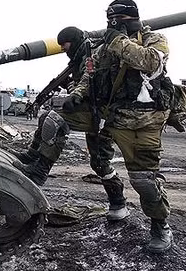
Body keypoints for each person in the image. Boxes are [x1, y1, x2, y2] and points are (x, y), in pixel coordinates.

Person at [69, 0, 174, 253]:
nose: (114, 24)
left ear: (134, 17)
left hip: (141, 120)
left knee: (144, 180)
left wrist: (118, 40)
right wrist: (78, 93)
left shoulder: (154, 39)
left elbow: (151, 62)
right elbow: (90, 74)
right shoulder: (104, 47)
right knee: (98, 161)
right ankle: (117, 201)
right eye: (111, 20)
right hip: (108, 115)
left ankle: (160, 225)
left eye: (120, 19)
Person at [13, 26, 118, 210]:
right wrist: (71, 88)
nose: (62, 48)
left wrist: (75, 94)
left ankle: (40, 171)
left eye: (64, 44)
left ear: (74, 41)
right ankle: (33, 157)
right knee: (47, 117)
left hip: (102, 113)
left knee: (100, 162)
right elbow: (83, 83)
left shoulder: (90, 54)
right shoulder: (78, 58)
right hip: (92, 109)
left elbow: (89, 81)